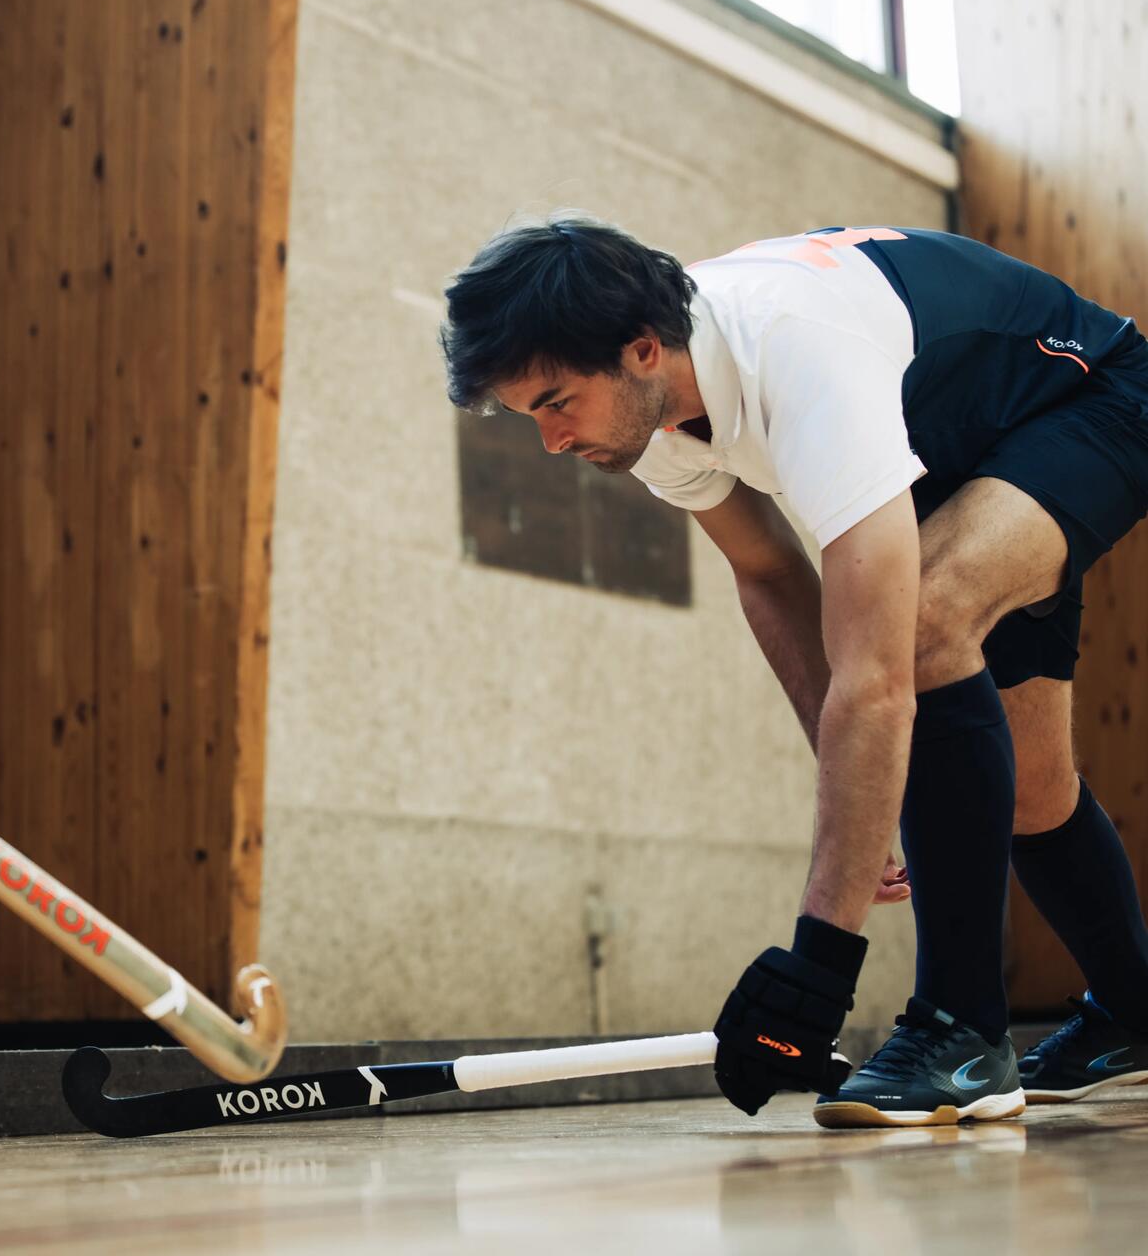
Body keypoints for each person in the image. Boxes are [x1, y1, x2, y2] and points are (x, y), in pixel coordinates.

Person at [440, 216, 1148, 1128]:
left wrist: (819, 959)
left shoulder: (797, 350)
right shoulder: (649, 414)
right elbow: (770, 573)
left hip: (1093, 398)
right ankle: (1134, 1014)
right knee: (1031, 787)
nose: (550, 440)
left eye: (554, 402)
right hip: (945, 451)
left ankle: (963, 1032)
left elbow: (880, 672)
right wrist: (872, 782)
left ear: (643, 351)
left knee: (920, 620)